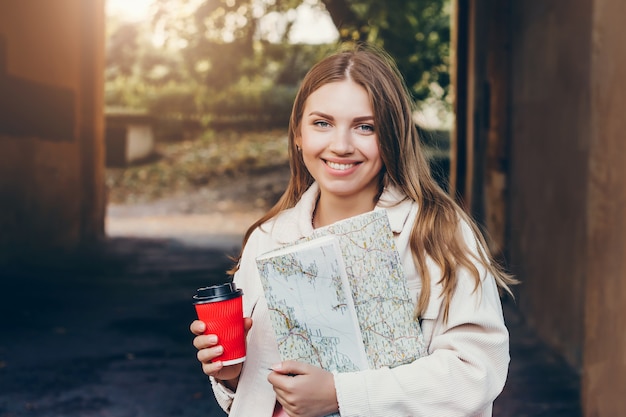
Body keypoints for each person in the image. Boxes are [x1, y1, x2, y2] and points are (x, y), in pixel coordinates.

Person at [190, 43, 517, 417]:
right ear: (298, 135)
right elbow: (252, 394)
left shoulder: (441, 234)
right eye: (322, 123)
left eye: (365, 127)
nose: (341, 145)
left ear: (392, 137)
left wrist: (341, 393)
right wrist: (231, 376)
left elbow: (475, 374)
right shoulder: (267, 239)